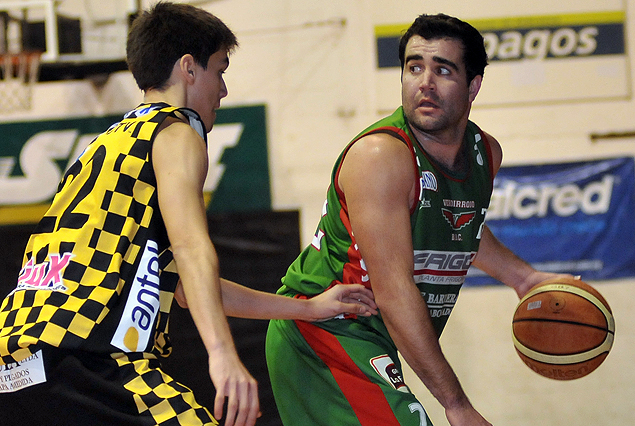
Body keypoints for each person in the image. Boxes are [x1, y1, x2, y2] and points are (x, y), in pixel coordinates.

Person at [0, 2, 376, 426]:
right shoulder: (175, 131)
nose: (223, 89)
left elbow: (188, 287)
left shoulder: (105, 147)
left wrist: (307, 309)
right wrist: (223, 355)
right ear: (188, 68)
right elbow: (192, 247)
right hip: (86, 357)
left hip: (16, 366)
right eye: (220, 70)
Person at [265, 13, 573, 426]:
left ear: (473, 86)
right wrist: (456, 404)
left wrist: (524, 278)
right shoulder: (381, 156)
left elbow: (458, 226)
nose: (425, 82)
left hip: (368, 337)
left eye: (442, 70)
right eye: (414, 67)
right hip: (324, 332)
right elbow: (394, 291)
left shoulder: (485, 153)